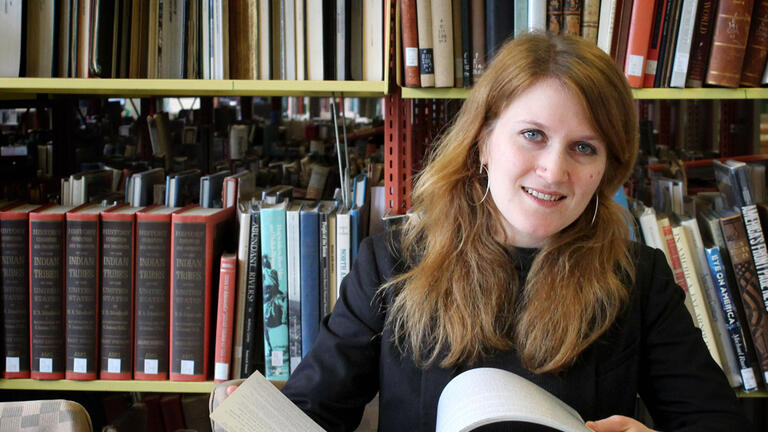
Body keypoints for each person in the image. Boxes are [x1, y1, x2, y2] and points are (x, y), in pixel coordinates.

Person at [279, 32, 751, 431]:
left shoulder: (637, 279)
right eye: (533, 135)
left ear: (607, 169)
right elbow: (311, 412)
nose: (553, 170)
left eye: (584, 147)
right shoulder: (390, 263)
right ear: (483, 141)